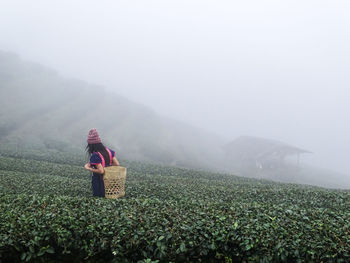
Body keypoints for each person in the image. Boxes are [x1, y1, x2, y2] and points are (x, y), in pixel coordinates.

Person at [84, 128, 120, 197]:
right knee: (109, 197)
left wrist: (88, 168)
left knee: (99, 198)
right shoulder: (108, 151)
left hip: (100, 181)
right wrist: (107, 166)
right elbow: (117, 164)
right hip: (110, 180)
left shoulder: (95, 155)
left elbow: (101, 171)